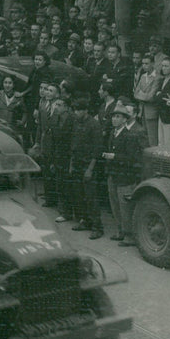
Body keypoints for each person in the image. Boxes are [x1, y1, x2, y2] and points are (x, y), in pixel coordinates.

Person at [103, 101, 145, 247]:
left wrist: (114, 157)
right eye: (113, 117)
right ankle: (120, 230)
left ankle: (129, 235)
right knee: (115, 204)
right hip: (113, 175)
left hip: (125, 177)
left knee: (125, 206)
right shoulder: (112, 133)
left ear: (125, 119)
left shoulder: (130, 136)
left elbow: (133, 159)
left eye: (118, 117)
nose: (114, 119)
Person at [68, 97, 104, 239]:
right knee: (79, 195)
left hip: (88, 165)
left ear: (86, 111)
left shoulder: (94, 125)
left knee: (91, 197)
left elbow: (97, 149)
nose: (76, 112)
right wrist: (71, 164)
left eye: (79, 110)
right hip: (77, 163)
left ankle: (97, 227)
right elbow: (73, 145)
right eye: (75, 110)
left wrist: (90, 169)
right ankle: (85, 221)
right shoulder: (76, 123)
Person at [134, 53, 162, 147]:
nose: (144, 66)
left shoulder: (158, 77)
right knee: (144, 137)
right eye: (143, 63)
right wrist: (144, 95)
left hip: (151, 111)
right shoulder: (143, 76)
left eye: (147, 63)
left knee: (153, 138)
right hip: (142, 111)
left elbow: (151, 97)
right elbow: (135, 93)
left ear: (153, 64)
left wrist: (141, 94)